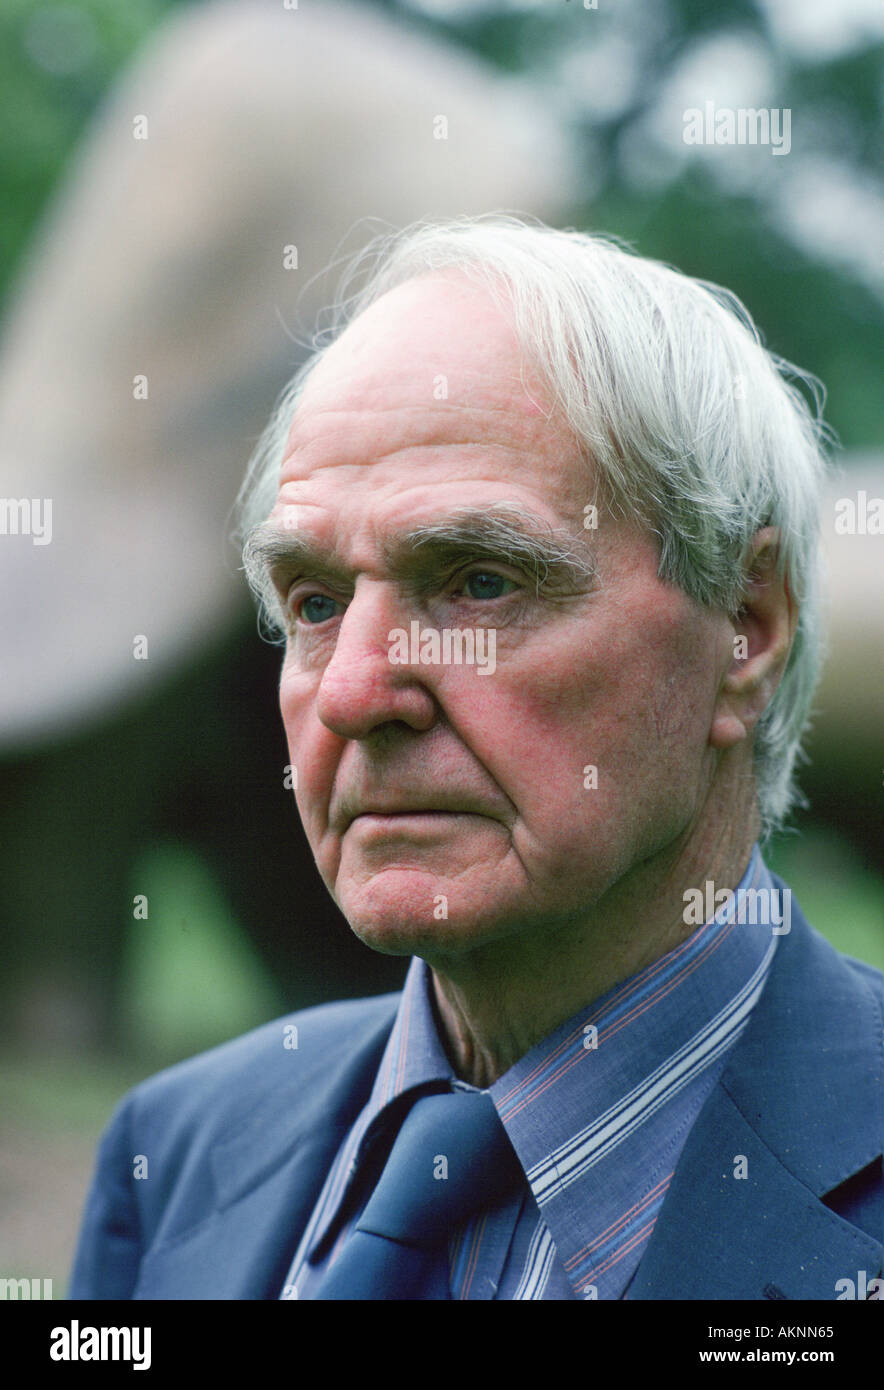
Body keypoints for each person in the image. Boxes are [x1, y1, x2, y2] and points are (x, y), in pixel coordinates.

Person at [69, 217, 883, 1300]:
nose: (355, 692)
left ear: (744, 625)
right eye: (313, 602)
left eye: (479, 584)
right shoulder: (175, 1154)